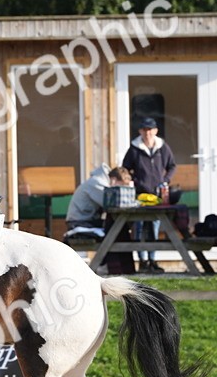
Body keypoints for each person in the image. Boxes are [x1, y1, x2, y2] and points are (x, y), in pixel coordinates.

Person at [121, 117, 177, 273]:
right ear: (140, 131)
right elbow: (125, 169)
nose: (148, 133)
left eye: (150, 130)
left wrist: (165, 180)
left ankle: (152, 260)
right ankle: (142, 260)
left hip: (157, 195)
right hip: (140, 195)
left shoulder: (162, 147)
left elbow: (172, 166)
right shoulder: (134, 148)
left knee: (154, 226)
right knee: (138, 227)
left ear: (156, 131)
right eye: (145, 130)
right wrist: (134, 181)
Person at [66, 165, 133, 232]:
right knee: (116, 227)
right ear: (114, 180)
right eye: (121, 186)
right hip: (78, 223)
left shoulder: (100, 181)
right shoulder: (97, 183)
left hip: (86, 220)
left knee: (117, 226)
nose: (121, 191)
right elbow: (112, 204)